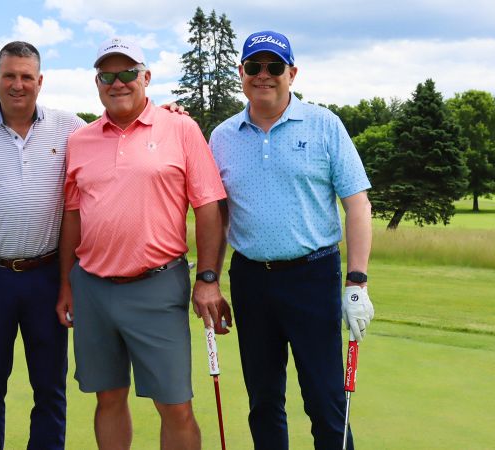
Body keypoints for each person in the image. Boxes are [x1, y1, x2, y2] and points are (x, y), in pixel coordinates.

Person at [56, 37, 231, 450]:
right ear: (97, 82)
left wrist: (208, 278)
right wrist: (66, 283)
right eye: (107, 75)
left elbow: (208, 207)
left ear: (146, 77)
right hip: (93, 287)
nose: (118, 83)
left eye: (128, 73)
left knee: (175, 405)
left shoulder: (181, 128)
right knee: (108, 397)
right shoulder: (80, 140)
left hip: (157, 285)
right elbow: (73, 217)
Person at [208, 30, 376, 449]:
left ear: (292, 73)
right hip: (250, 278)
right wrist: (209, 277)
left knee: (325, 400)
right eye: (254, 67)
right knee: (263, 400)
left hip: (312, 275)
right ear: (241, 72)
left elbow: (358, 204)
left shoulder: (324, 125)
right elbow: (217, 213)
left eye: (274, 67)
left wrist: (357, 281)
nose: (264, 75)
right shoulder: (222, 136)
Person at [0, 41, 87, 450]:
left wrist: (165, 115)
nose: (17, 84)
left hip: (48, 276)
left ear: (40, 81)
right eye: (9, 75)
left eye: (27, 76)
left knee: (50, 387)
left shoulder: (71, 128)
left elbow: (115, 139)